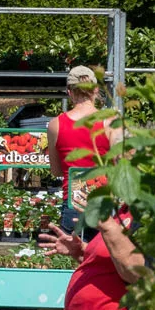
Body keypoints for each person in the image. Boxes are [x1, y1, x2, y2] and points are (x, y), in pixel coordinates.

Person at [48, 66, 119, 235]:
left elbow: (56, 170)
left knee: (76, 258)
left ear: (69, 92)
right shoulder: (110, 122)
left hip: (72, 204)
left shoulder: (55, 124)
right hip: (103, 204)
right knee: (104, 257)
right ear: (95, 90)